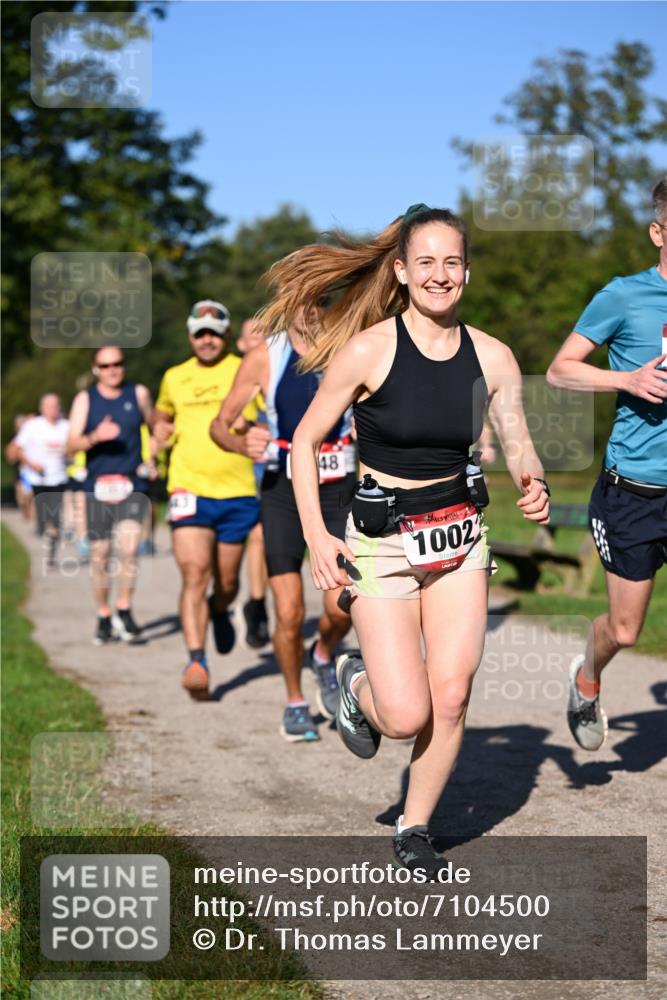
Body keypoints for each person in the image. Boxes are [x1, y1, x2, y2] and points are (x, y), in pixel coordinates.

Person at [269, 204, 551, 873]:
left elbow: (515, 440)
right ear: (399, 271)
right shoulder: (369, 348)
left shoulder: (493, 355)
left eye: (451, 262)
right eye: (424, 261)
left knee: (449, 695)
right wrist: (316, 534)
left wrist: (530, 480)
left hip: (458, 537)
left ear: (467, 272)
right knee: (402, 714)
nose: (439, 274)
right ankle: (353, 685)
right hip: (381, 542)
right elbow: (304, 443)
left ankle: (414, 826)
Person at [547, 177, 667, 751]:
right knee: (624, 629)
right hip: (634, 492)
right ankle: (587, 677)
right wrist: (629, 379)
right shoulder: (624, 295)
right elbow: (559, 370)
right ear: (658, 232)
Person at [210, 306, 356, 741]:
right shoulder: (264, 356)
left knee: (341, 603)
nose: (311, 310)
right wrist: (240, 442)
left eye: (320, 299)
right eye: (301, 298)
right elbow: (219, 425)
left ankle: (324, 653)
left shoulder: (348, 347)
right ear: (287, 302)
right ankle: (294, 701)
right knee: (289, 611)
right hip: (282, 492)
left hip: (337, 487)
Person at [153, 300, 261, 699]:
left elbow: (271, 415)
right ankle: (196, 660)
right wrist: (158, 429)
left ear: (226, 336)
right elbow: (160, 414)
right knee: (195, 573)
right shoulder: (173, 377)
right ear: (189, 336)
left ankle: (220, 609)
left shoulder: (247, 368)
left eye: (214, 333)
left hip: (237, 491)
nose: (206, 339)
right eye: (199, 332)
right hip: (188, 488)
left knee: (228, 581)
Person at [67, 345, 153, 645]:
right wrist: (94, 437)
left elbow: (155, 428)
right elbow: (70, 445)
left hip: (131, 485)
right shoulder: (85, 399)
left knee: (129, 551)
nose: (112, 370)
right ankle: (103, 614)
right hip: (97, 488)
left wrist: (152, 458)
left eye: (117, 363)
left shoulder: (138, 394)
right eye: (105, 366)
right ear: (95, 369)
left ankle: (124, 608)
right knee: (100, 555)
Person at [235, 319, 271, 649]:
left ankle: (260, 602)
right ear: (241, 343)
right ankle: (256, 604)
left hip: (275, 462)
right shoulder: (234, 373)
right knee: (258, 536)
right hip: (241, 467)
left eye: (266, 334)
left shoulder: (279, 366)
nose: (261, 340)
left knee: (267, 539)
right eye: (254, 335)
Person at [13, 395, 69, 567]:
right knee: (44, 517)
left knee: (56, 517)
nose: (53, 410)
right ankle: (44, 529)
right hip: (38, 478)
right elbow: (16, 449)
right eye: (49, 406)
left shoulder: (66, 426)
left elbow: (74, 446)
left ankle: (51, 555)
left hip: (59, 477)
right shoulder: (32, 426)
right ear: (42, 408)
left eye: (55, 406)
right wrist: (31, 464)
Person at [5, 413, 36, 522]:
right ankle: (26, 511)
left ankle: (32, 516)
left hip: (32, 470)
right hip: (22, 471)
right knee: (23, 496)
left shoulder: (33, 435)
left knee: (31, 494)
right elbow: (10, 454)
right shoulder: (18, 438)